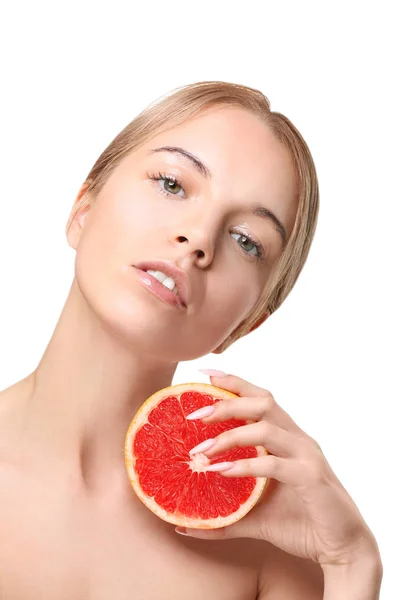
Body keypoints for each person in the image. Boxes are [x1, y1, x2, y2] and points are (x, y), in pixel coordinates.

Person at [0, 81, 382, 599]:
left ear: (248, 323)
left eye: (247, 240)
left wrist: (352, 563)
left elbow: (344, 566)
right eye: (173, 184)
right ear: (83, 209)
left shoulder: (273, 553)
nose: (198, 238)